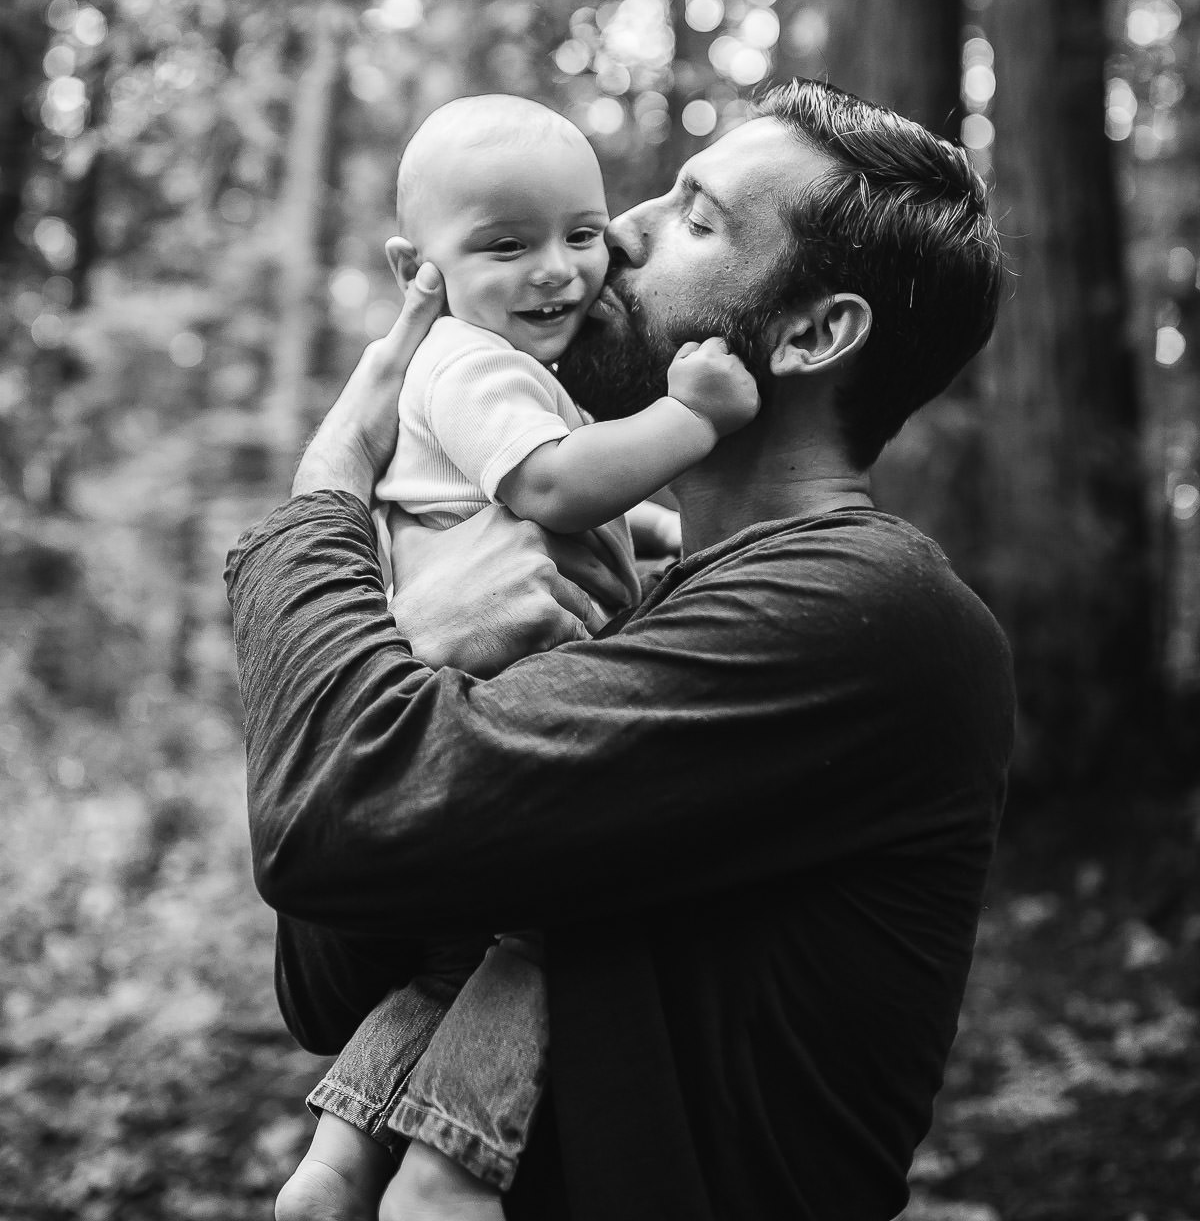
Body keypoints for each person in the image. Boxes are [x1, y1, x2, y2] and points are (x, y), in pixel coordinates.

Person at [228, 80, 1017, 1221]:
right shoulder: (628, 597)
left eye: (697, 219)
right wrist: (415, 647)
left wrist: (330, 488)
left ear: (811, 333)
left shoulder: (873, 616)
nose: (619, 235)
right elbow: (324, 966)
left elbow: (326, 825)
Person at [277, 93, 760, 1221]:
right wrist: (695, 422)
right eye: (505, 245)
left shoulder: (485, 369)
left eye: (581, 235)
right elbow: (549, 487)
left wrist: (659, 535)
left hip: (463, 700)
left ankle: (342, 1155)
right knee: (550, 937)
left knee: (453, 959)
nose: (558, 272)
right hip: (498, 694)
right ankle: (448, 1172)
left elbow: (561, 513)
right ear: (418, 265)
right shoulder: (471, 365)